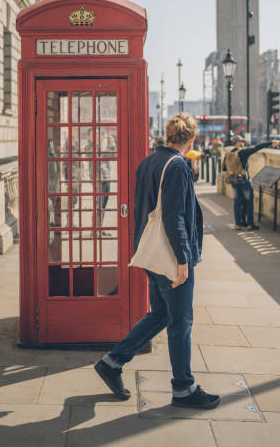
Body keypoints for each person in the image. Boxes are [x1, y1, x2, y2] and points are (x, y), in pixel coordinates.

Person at [94, 113, 220, 410]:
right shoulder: (177, 166)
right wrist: (183, 260)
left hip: (151, 253)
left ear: (167, 135)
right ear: (191, 140)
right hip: (169, 256)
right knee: (181, 323)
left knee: (161, 314)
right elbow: (173, 216)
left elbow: (144, 211)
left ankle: (112, 362)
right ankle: (183, 389)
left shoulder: (150, 161)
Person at [223, 135, 279, 230]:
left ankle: (238, 224)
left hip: (234, 180)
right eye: (241, 141)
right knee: (249, 202)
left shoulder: (228, 154)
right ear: (238, 143)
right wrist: (270, 143)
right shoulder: (243, 152)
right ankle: (250, 224)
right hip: (244, 180)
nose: (243, 143)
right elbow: (256, 148)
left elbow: (224, 168)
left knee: (237, 202)